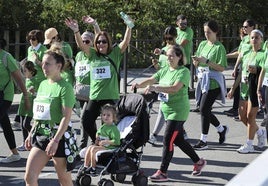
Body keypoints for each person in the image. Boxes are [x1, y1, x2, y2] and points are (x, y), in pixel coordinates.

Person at [132, 44, 206, 181]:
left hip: (178, 112)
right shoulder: (165, 69)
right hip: (167, 110)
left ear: (179, 57)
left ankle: (163, 172)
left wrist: (156, 87)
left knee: (168, 140)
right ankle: (198, 162)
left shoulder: (183, 71)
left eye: (172, 56)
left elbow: (174, 88)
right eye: (167, 56)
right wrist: (139, 85)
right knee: (178, 140)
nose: (169, 58)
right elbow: (151, 79)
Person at [65, 14, 132, 144]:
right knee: (86, 121)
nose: (101, 44)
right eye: (99, 42)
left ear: (109, 43)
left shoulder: (115, 53)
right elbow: (80, 44)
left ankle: (108, 148)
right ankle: (97, 141)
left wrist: (129, 26)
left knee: (108, 125)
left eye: (104, 42)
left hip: (109, 97)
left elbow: (126, 41)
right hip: (95, 96)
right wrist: (76, 31)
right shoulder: (93, 54)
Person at [24, 49, 79, 185]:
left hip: (58, 138)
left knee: (64, 180)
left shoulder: (65, 87)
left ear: (59, 66)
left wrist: (55, 141)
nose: (44, 67)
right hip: (41, 135)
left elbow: (66, 117)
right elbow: (39, 114)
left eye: (48, 64)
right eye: (43, 63)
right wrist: (31, 133)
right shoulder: (42, 84)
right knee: (29, 177)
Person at [228, 29, 266, 153]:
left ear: (261, 40)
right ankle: (260, 132)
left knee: (250, 117)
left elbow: (264, 71)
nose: (254, 40)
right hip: (244, 88)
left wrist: (257, 70)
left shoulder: (263, 54)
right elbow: (241, 74)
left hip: (254, 88)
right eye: (252, 38)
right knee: (242, 116)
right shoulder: (246, 53)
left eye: (257, 38)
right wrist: (233, 89)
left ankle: (249, 144)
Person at [192, 20, 228, 150]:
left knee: (203, 109)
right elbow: (198, 61)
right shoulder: (202, 44)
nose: (206, 34)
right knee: (205, 110)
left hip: (213, 82)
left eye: (209, 32)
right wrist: (196, 61)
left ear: (215, 32)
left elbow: (221, 68)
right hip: (203, 81)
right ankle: (221, 129)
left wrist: (206, 61)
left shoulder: (219, 48)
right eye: (205, 32)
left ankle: (203, 140)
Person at [148, 26, 188, 145]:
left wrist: (163, 52)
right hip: (164, 82)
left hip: (174, 82)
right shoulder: (163, 49)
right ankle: (181, 133)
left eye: (170, 38)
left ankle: (154, 135)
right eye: (166, 38)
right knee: (164, 110)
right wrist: (155, 64)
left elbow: (181, 61)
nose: (168, 41)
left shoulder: (177, 48)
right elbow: (160, 68)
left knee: (164, 111)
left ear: (175, 37)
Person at [0, 38, 30, 163]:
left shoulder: (6, 57)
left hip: (5, 96)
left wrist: (26, 97)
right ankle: (15, 153)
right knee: (5, 123)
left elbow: (19, 79)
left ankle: (15, 153)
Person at [11, 29, 47, 130]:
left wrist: (38, 61)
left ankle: (37, 132)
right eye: (29, 38)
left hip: (39, 83)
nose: (31, 40)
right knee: (25, 110)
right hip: (28, 82)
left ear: (39, 39)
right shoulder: (30, 49)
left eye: (34, 38)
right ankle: (21, 125)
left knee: (35, 111)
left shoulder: (43, 50)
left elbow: (46, 67)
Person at [77, 104, 120, 175]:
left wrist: (106, 141)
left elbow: (117, 141)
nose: (106, 117)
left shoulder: (113, 129)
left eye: (108, 115)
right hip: (103, 146)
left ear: (113, 117)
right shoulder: (103, 127)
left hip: (110, 147)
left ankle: (93, 168)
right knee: (90, 147)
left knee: (93, 149)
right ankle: (85, 166)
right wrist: (97, 139)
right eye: (104, 115)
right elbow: (98, 134)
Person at [225, 20, 255, 120]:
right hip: (243, 68)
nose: (244, 28)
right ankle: (242, 112)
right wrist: (235, 67)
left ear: (252, 27)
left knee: (251, 91)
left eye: (246, 27)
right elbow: (240, 54)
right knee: (243, 90)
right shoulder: (245, 39)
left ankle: (250, 113)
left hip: (252, 69)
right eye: (243, 26)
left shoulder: (256, 39)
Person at [17, 61, 38, 151]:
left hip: (30, 105)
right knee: (22, 125)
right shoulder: (26, 80)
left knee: (26, 124)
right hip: (23, 104)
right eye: (23, 70)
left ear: (31, 71)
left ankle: (35, 136)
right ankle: (25, 142)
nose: (23, 73)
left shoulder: (35, 81)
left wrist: (34, 92)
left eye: (25, 71)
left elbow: (38, 95)